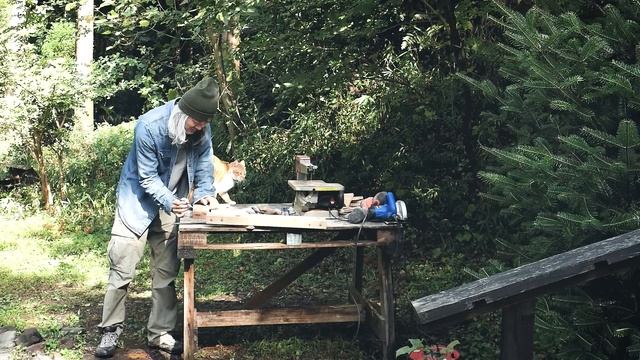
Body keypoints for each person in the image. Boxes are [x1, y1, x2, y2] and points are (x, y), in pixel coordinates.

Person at [94, 77, 220, 358]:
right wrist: (171, 201)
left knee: (165, 274)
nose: (199, 127)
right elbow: (147, 177)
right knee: (122, 271)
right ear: (182, 113)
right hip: (135, 205)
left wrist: (205, 194)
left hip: (170, 208)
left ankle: (160, 333)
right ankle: (110, 331)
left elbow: (203, 165)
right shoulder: (148, 126)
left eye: (204, 123)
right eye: (195, 122)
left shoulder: (202, 129)